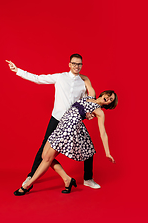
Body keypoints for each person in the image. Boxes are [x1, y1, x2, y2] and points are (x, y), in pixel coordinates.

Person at [6, 53, 101, 189]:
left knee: (88, 149)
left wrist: (88, 114)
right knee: (45, 146)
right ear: (69, 64)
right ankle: (31, 175)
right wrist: (18, 70)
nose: (76, 66)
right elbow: (38, 79)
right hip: (57, 118)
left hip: (72, 121)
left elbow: (84, 102)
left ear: (82, 65)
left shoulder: (83, 82)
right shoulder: (60, 77)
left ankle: (88, 178)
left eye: (79, 64)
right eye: (74, 63)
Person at [13, 90, 118, 196]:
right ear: (104, 94)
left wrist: (107, 152)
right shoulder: (90, 95)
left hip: (69, 130)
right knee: (44, 155)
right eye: (108, 96)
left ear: (109, 104)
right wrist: (74, 72)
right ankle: (67, 179)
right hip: (61, 125)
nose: (108, 99)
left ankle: (27, 186)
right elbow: (86, 79)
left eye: (111, 100)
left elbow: (103, 133)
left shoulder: (99, 112)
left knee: (47, 159)